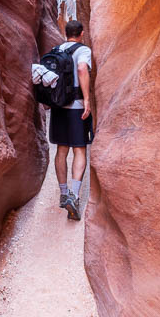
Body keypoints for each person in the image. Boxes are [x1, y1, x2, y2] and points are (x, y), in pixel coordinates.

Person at [47, 19, 94, 220]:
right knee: (79, 149)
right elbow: (82, 69)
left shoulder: (56, 49)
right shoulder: (83, 50)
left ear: (66, 33)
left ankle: (63, 193)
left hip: (59, 106)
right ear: (81, 33)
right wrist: (86, 100)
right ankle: (74, 197)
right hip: (76, 106)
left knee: (61, 150)